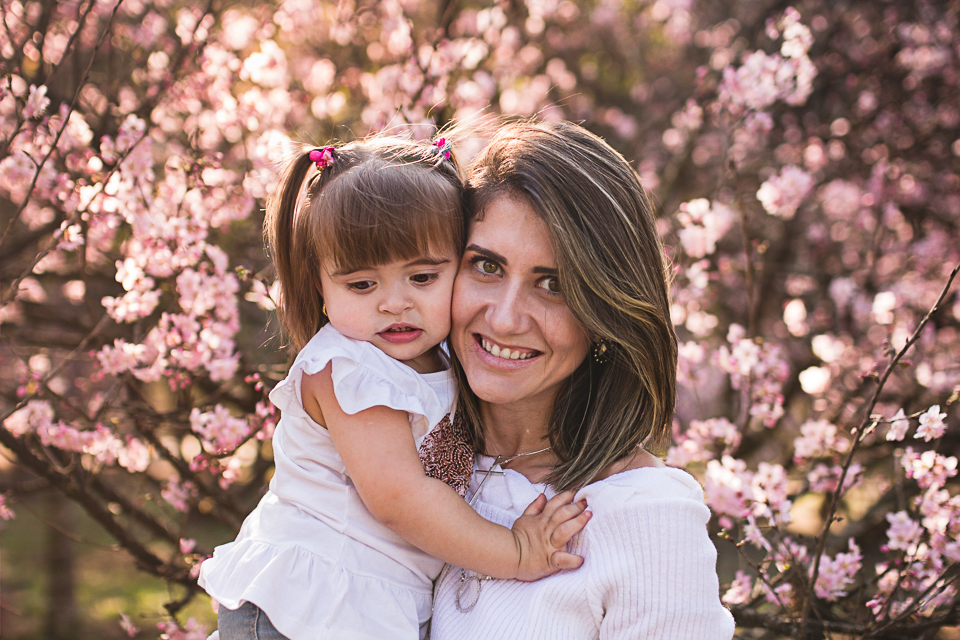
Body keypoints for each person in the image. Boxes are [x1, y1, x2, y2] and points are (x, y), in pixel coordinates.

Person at [198, 136, 591, 640]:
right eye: (362, 285)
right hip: (305, 605)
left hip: (363, 605)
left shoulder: (448, 360)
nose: (394, 303)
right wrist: (514, 552)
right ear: (320, 285)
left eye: (423, 277)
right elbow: (398, 497)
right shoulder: (349, 368)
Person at [431, 121, 736, 639]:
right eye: (486, 265)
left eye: (552, 284)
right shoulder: (397, 452)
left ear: (604, 310)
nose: (505, 319)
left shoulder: (645, 517)